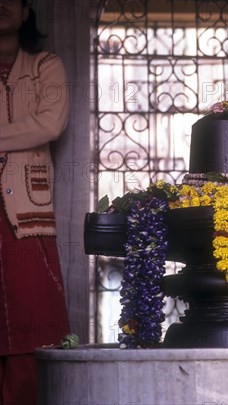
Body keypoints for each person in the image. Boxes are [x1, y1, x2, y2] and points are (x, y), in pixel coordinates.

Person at [0, 0, 70, 403]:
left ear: (27, 11)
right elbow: (35, 127)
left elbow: (50, 123)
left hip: (26, 216)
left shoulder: (46, 65)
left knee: (34, 325)